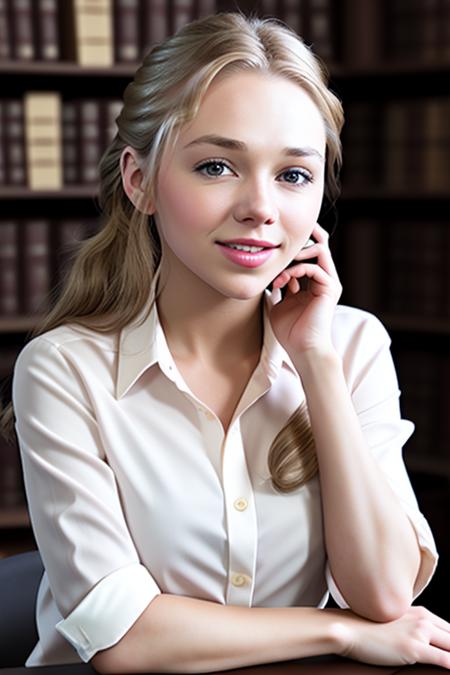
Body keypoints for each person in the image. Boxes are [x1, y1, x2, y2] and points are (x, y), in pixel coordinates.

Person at [2, 11, 450, 673]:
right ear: (139, 180)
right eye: (217, 166)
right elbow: (124, 639)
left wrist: (316, 363)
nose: (261, 208)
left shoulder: (352, 344)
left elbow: (384, 593)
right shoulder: (65, 368)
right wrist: (336, 632)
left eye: (294, 175)